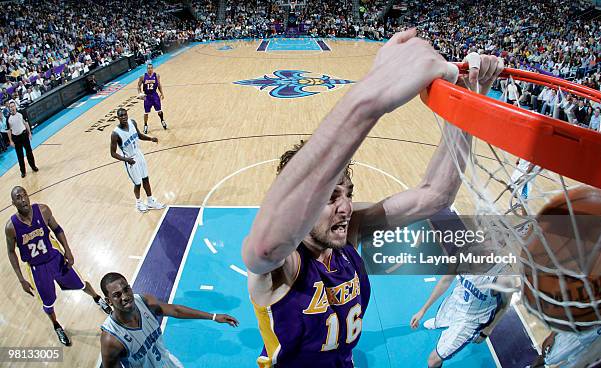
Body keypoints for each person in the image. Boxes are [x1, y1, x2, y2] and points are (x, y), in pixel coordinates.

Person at [241, 29, 504, 367]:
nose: (346, 206)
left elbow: (434, 195)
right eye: (331, 196)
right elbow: (265, 246)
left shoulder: (348, 230)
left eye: (348, 194)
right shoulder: (282, 265)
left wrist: (469, 103)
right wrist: (373, 94)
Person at [5, 186, 112, 346]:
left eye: (24, 195)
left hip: (56, 258)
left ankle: (97, 298)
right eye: (18, 198)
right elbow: (11, 252)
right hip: (37, 269)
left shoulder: (43, 210)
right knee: (47, 302)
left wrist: (68, 251)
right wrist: (21, 280)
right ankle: (57, 326)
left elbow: (57, 229)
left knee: (81, 283)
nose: (23, 200)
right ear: (13, 203)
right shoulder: (11, 227)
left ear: (28, 196)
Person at [99, 272, 239, 367]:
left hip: (167, 362)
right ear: (108, 300)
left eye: (126, 289)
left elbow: (176, 310)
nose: (125, 297)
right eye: (117, 295)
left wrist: (213, 317)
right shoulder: (111, 340)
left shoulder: (144, 301)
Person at [409, 265, 513, 367]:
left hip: (470, 321)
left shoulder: (504, 278)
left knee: (433, 361)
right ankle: (439, 322)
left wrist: (487, 331)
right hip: (454, 303)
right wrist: (423, 310)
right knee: (440, 318)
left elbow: (504, 306)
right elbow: (446, 280)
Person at [110, 108, 165, 213]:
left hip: (139, 154)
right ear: (118, 118)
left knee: (146, 179)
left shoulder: (132, 122)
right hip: (130, 159)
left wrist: (150, 138)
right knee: (138, 183)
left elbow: (139, 135)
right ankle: (139, 203)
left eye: (125, 115)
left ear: (127, 114)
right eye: (121, 116)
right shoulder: (115, 134)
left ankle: (150, 201)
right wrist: (126, 159)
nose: (124, 117)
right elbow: (113, 153)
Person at [6, 100, 38, 178]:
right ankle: (23, 172)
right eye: (10, 107)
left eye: (13, 106)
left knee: (29, 152)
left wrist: (29, 133)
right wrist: (11, 141)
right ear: (9, 108)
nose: (12, 108)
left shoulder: (21, 113)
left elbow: (26, 123)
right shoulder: (8, 119)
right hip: (16, 138)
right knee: (20, 156)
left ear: (15, 106)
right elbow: (8, 131)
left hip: (24, 135)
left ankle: (33, 166)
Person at [137, 63, 166, 134]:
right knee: (146, 112)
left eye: (151, 68)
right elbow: (138, 86)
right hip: (147, 96)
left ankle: (162, 121)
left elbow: (159, 85)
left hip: (154, 95)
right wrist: (140, 93)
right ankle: (145, 126)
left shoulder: (157, 76)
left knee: (159, 111)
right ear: (147, 69)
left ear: (153, 68)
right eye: (148, 68)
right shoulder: (142, 77)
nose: (150, 69)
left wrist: (162, 93)